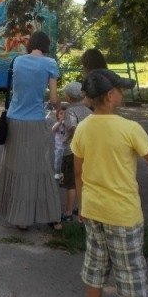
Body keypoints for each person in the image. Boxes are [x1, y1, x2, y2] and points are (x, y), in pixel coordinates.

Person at [71, 68, 148, 297]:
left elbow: (78, 171)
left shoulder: (83, 128)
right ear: (111, 95)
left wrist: (81, 205)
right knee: (128, 270)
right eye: (120, 90)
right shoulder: (130, 128)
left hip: (93, 210)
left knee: (95, 264)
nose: (122, 93)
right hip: (123, 213)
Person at [0, 31, 61, 230]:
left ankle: (19, 218)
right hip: (35, 121)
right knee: (39, 166)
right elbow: (54, 99)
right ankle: (53, 216)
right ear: (46, 45)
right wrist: (57, 108)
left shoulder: (18, 61)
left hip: (14, 119)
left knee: (16, 166)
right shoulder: (50, 63)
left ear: (30, 43)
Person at [59, 82, 92, 221]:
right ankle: (81, 208)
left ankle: (67, 213)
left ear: (68, 97)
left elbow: (72, 127)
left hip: (71, 150)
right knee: (84, 180)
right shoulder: (89, 111)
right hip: (87, 150)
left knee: (71, 184)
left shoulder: (70, 112)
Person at [52, 106, 66, 181]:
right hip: (59, 147)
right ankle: (57, 172)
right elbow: (53, 130)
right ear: (57, 115)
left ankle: (63, 173)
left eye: (65, 114)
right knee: (58, 160)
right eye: (61, 113)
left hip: (67, 147)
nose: (63, 115)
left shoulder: (68, 123)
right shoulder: (57, 124)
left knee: (65, 161)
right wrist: (60, 122)